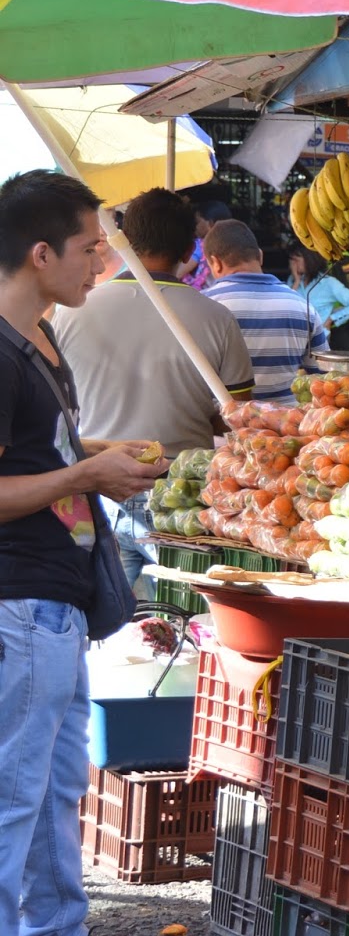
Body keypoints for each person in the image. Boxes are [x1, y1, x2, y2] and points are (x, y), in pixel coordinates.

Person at [0, 170, 166, 935]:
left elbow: (42, 450)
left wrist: (103, 453)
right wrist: (85, 475)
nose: (102, 262)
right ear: (41, 254)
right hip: (20, 603)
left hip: (56, 604)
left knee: (54, 792)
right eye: (90, 247)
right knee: (13, 798)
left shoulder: (40, 338)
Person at [54, 187, 255, 592]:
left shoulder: (71, 313)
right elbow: (238, 419)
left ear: (123, 240)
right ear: (189, 250)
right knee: (179, 617)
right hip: (180, 497)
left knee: (108, 621)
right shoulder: (216, 318)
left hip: (94, 490)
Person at [204, 220, 329, 402]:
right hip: (287, 418)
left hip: (220, 419)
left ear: (215, 262)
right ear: (260, 256)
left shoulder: (203, 305)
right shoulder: (302, 306)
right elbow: (324, 379)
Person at [289, 246, 349, 351]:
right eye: (291, 260)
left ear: (308, 260)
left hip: (317, 340)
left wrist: (332, 319)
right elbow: (287, 305)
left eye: (296, 260)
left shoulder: (329, 283)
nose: (292, 264)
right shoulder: (293, 281)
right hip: (294, 338)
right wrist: (296, 282)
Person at [179, 200, 231, 291]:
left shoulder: (199, 246)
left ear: (210, 224)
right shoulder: (232, 245)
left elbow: (178, 273)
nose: (195, 226)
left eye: (197, 222)